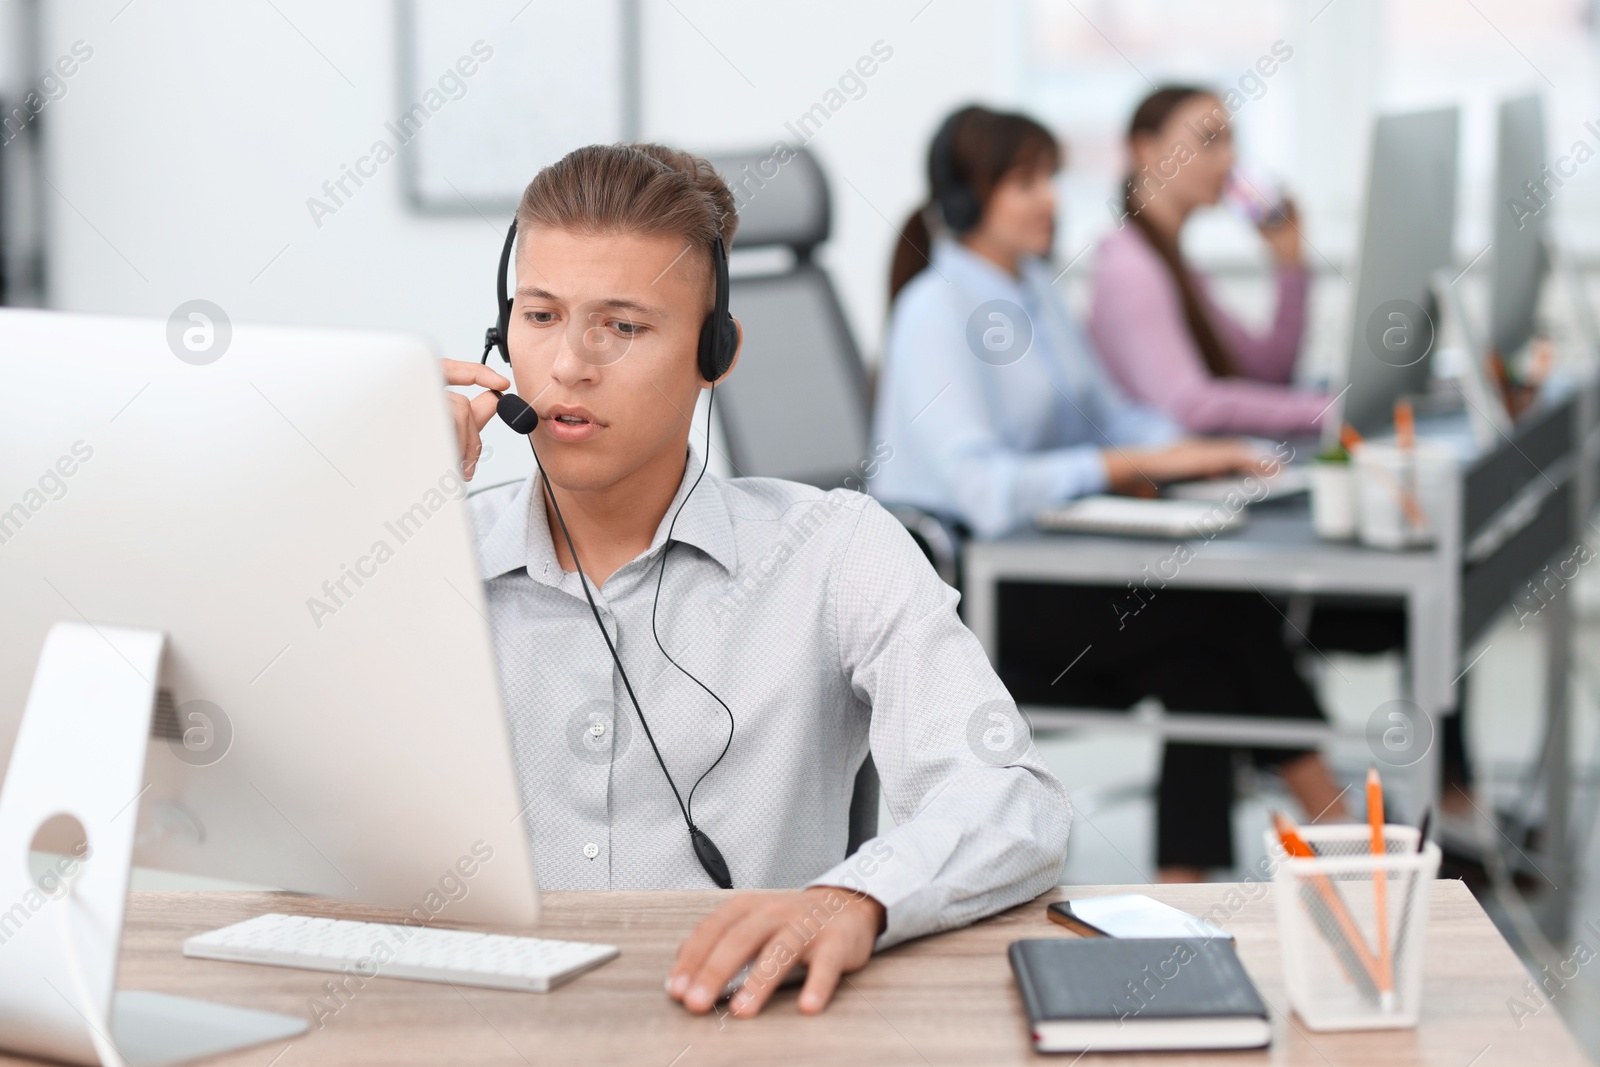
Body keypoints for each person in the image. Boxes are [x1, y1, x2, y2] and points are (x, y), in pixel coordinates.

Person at [441, 143, 1070, 1019]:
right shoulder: (428, 553)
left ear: (716, 350)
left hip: (740, 1025)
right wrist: (375, 517)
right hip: (464, 1024)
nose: (569, 366)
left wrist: (861, 895)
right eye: (540, 317)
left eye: (622, 326)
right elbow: (242, 769)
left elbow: (1012, 798)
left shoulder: (833, 551)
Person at [870, 105, 1348, 883]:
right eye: (1024, 183)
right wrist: (1119, 466)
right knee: (1216, 613)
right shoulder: (935, 311)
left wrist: (1187, 449)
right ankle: (1342, 835)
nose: (1049, 198)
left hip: (1045, 567)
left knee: (1208, 647)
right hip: (976, 600)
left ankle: (1184, 890)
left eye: (1051, 178)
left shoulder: (1034, 289)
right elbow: (983, 488)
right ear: (965, 201)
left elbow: (1109, 413)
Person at [1089, 85, 1330, 437]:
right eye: (1209, 141)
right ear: (1145, 150)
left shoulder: (1178, 267)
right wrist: (1328, 411)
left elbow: (1270, 372)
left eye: (1231, 142)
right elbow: (1190, 407)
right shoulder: (1131, 270)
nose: (1229, 160)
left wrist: (1289, 263)